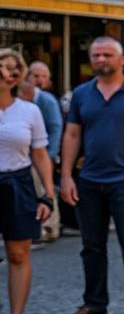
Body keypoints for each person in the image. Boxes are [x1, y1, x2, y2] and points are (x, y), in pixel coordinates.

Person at [58, 36, 124, 314]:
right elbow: (72, 135)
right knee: (91, 245)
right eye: (96, 55)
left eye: (107, 54)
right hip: (89, 179)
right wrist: (67, 176)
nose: (101, 60)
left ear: (121, 59)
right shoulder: (82, 93)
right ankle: (94, 304)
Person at [0, 48, 55, 314]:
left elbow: (40, 153)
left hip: (18, 183)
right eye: (3, 66)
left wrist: (47, 194)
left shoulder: (29, 110)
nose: (8, 72)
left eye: (13, 68)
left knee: (18, 253)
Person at [19, 65, 61, 241]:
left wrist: (50, 154)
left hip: (42, 153)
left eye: (42, 76)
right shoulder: (23, 99)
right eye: (34, 75)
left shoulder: (46, 100)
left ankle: (51, 227)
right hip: (25, 154)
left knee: (46, 188)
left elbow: (56, 127)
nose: (38, 79)